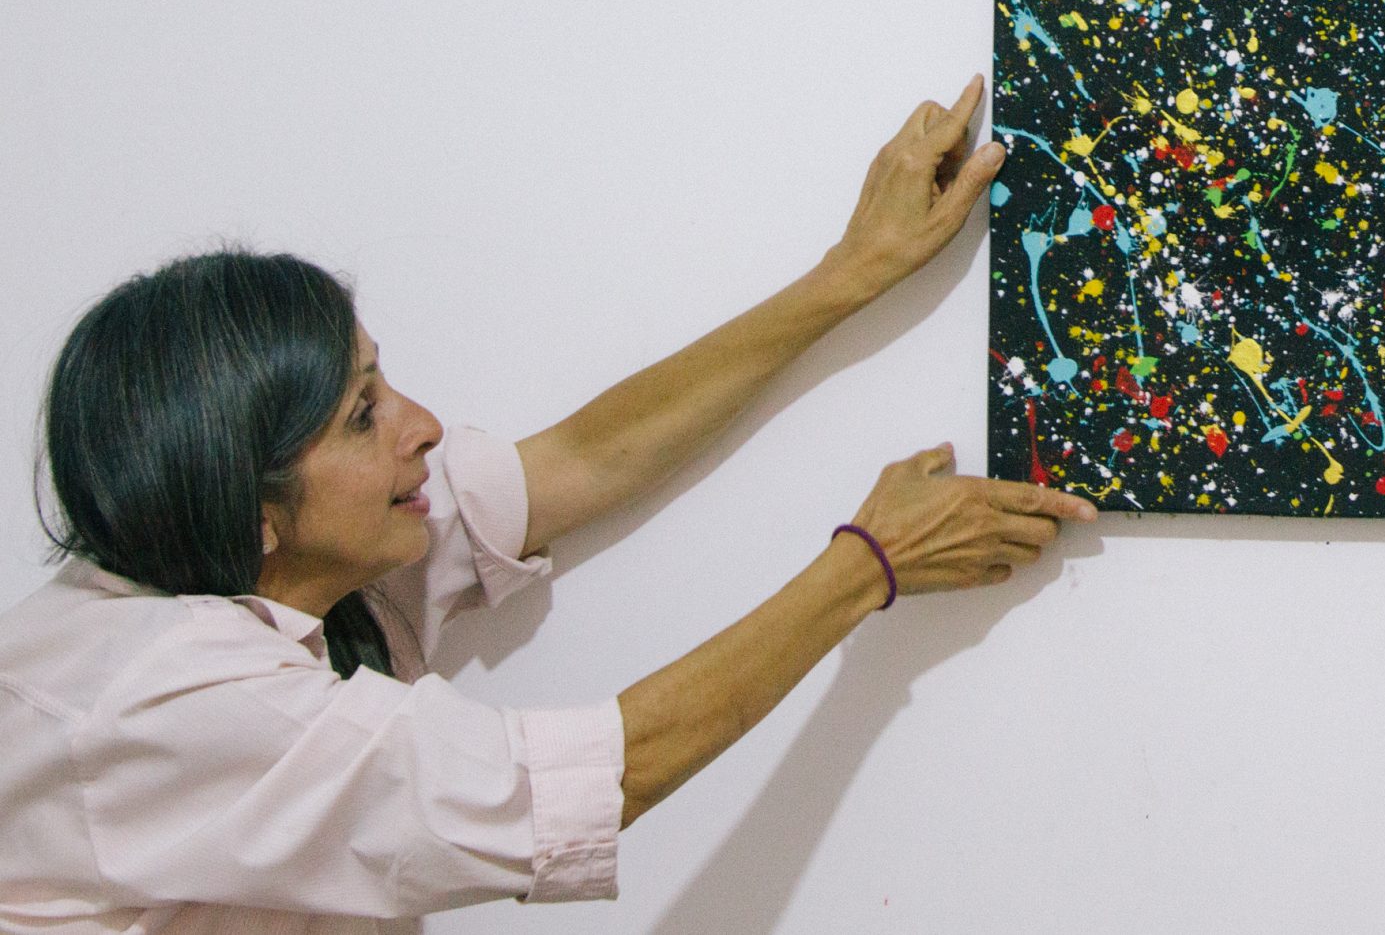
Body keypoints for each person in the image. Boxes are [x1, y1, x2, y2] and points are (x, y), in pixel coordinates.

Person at [0, 77, 1091, 934]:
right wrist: (867, 565)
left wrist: (850, 272)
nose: (426, 426)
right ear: (255, 513)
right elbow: (590, 782)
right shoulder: (166, 701)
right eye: (363, 415)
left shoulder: (280, 555)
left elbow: (580, 459)